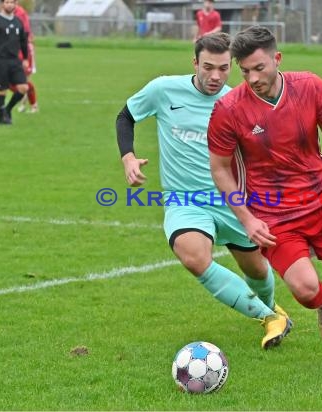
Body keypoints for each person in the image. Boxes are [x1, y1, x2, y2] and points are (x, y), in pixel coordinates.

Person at [208, 26, 322, 367]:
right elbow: (220, 169)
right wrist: (247, 219)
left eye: (259, 68)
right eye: (244, 70)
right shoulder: (229, 109)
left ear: (277, 59)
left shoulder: (310, 87)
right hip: (274, 214)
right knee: (307, 289)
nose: (252, 78)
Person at [115, 32, 291, 349]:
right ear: (195, 62)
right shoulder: (164, 90)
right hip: (185, 200)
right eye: (208, 67)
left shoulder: (238, 103)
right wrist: (128, 157)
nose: (215, 76)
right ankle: (269, 318)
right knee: (194, 257)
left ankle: (271, 309)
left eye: (223, 69)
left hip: (232, 202)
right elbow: (126, 115)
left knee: (257, 270)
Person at [0, 0, 29, 125]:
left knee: (23, 87)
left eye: (12, 2)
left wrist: (25, 58)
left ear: (16, 4)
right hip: (1, 60)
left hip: (15, 60)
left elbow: (23, 41)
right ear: (3, 4)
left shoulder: (18, 22)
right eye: (7, 2)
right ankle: (1, 119)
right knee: (2, 90)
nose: (10, 4)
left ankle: (8, 110)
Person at [12, 2, 39, 114]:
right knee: (18, 79)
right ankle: (24, 104)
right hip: (15, 48)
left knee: (24, 79)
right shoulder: (9, 12)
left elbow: (23, 32)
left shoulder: (20, 13)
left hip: (24, 49)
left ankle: (33, 106)